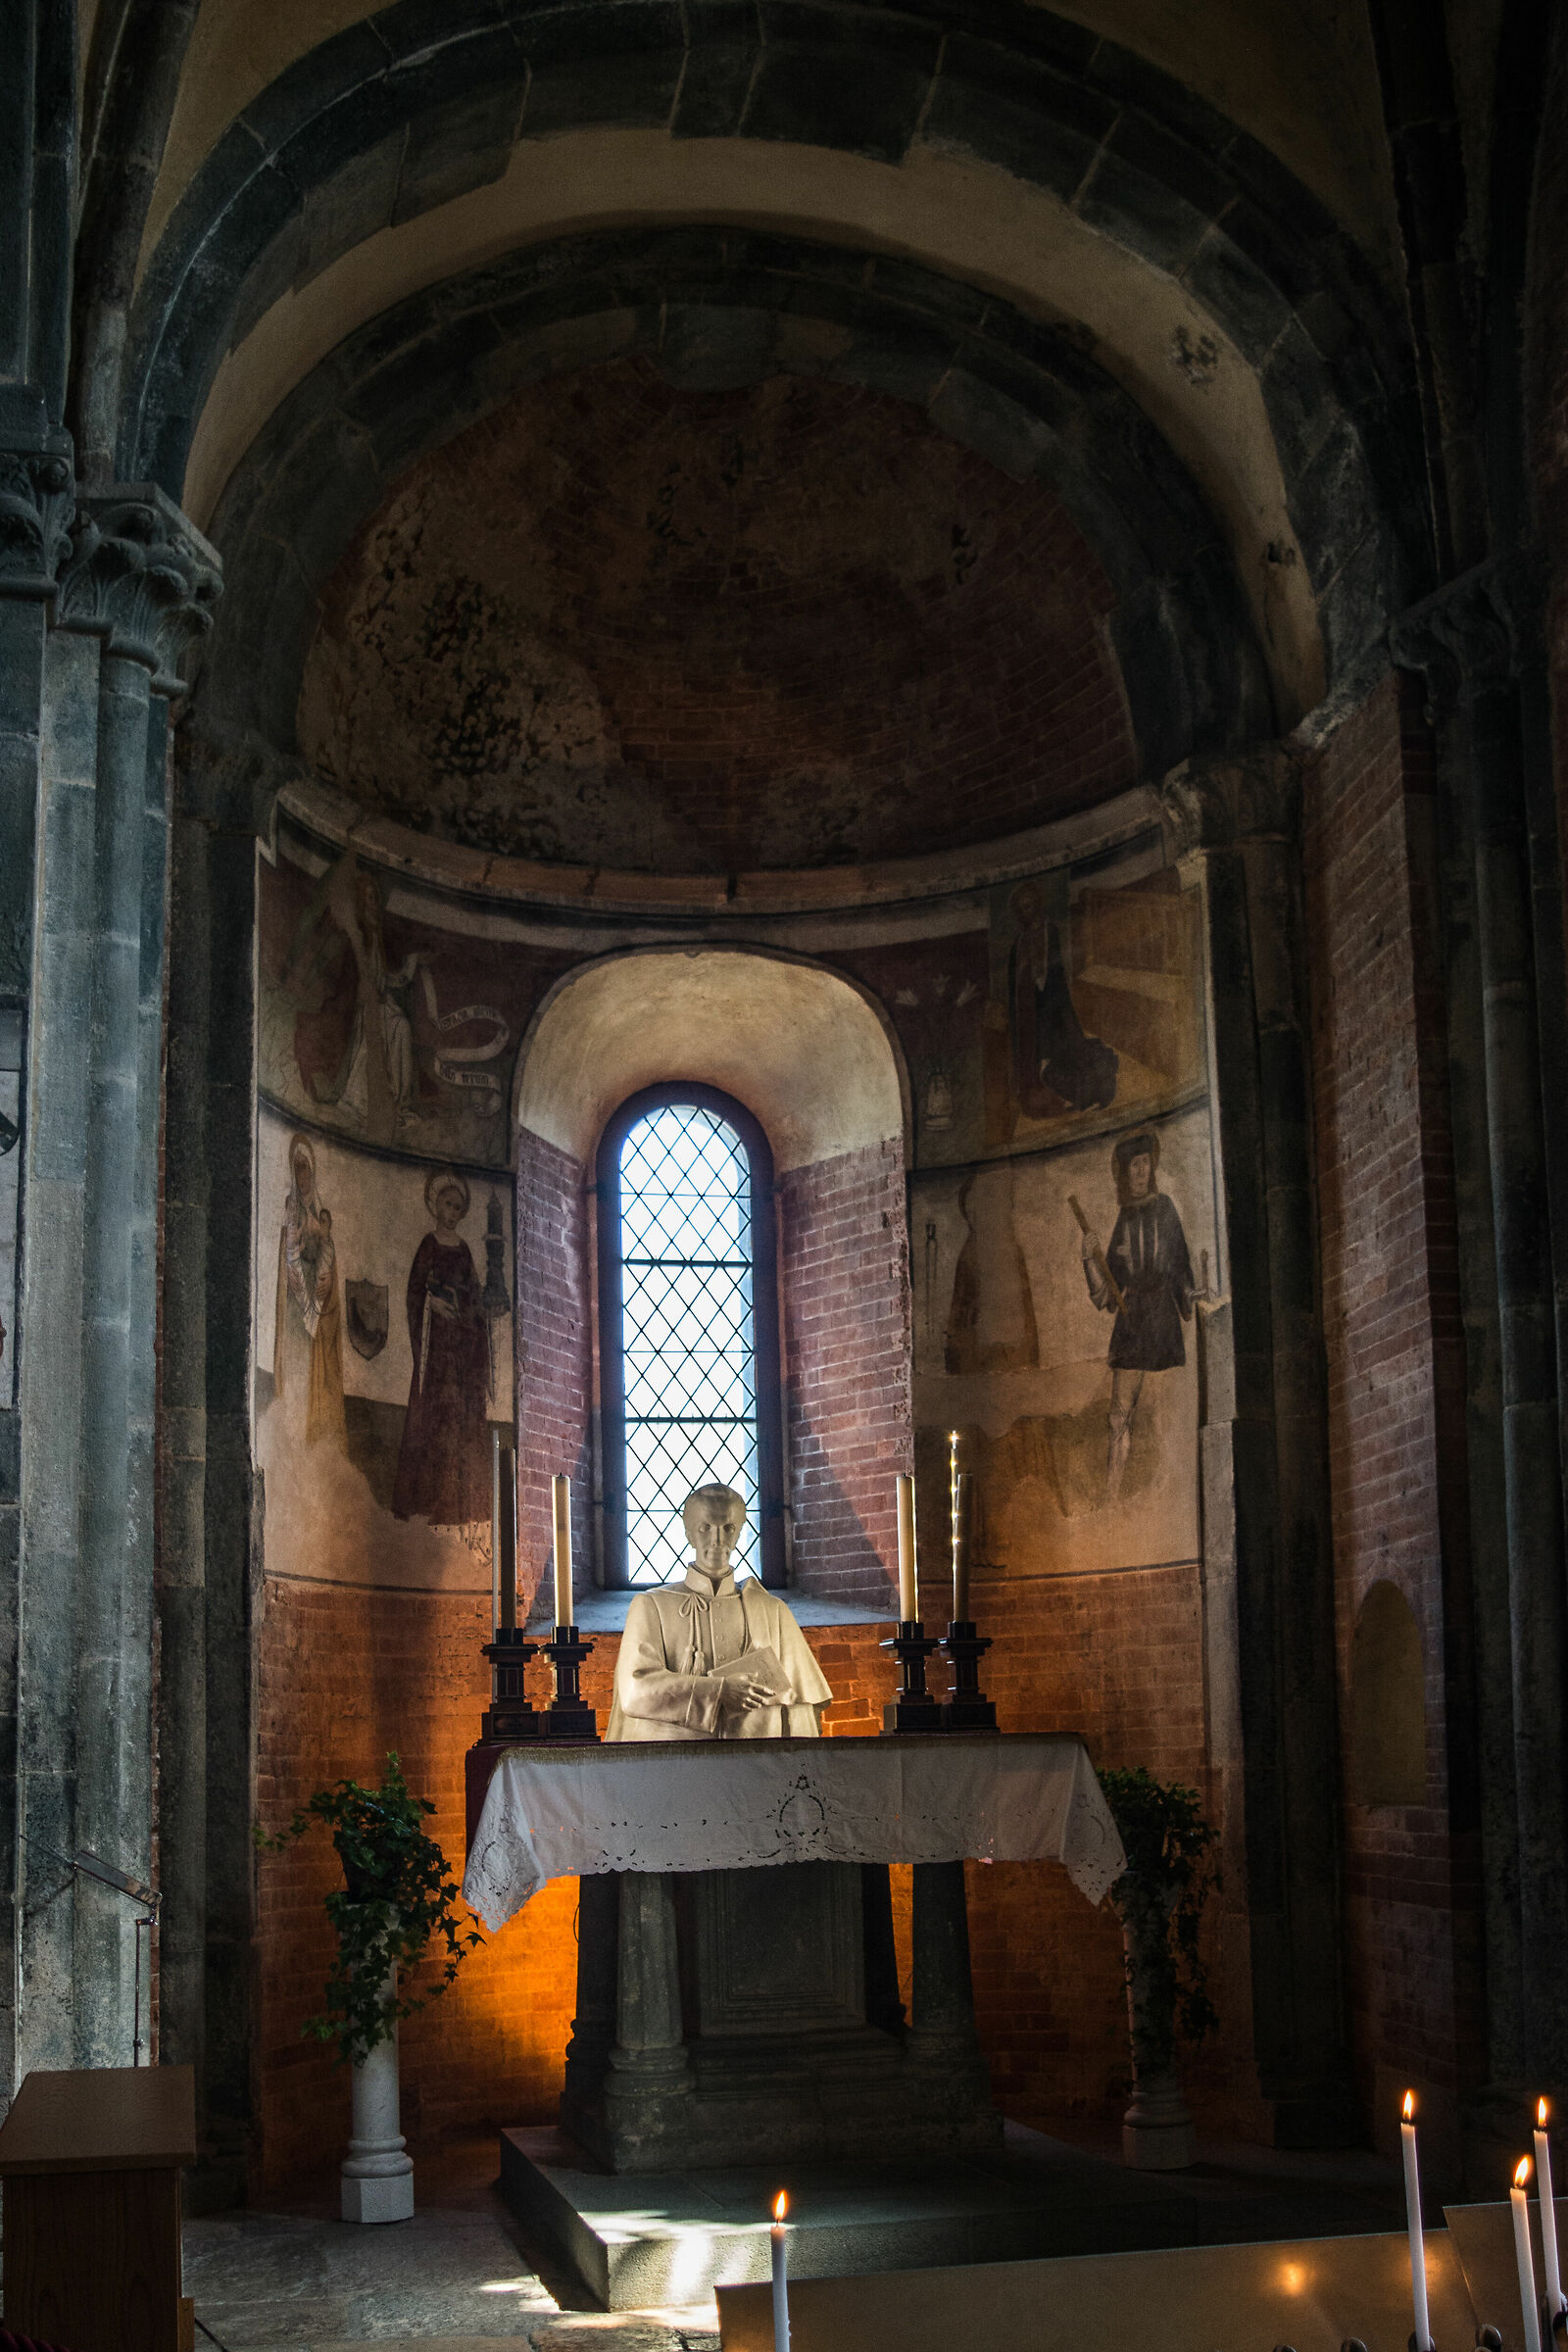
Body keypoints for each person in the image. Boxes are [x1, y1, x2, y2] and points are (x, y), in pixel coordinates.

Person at [607, 1484, 833, 1740]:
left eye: (728, 1529)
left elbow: (801, 1710)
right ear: (689, 1534)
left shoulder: (773, 1611)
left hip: (758, 1763)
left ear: (738, 1535)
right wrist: (718, 1690)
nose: (717, 1540)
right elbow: (635, 1690)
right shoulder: (652, 1606)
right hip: (676, 1767)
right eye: (706, 1528)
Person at [1078, 1128, 1199, 1500]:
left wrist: (1189, 1295)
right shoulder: (1125, 1219)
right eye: (1134, 1165)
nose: (1141, 1171)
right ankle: (1112, 1495)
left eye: (1146, 1163)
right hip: (1131, 1322)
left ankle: (1170, 1496)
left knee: (1166, 1409)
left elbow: (1179, 1264)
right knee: (1119, 1414)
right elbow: (1107, 1293)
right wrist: (1088, 1258)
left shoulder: (1166, 1209)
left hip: (1162, 1317)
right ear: (1125, 1174)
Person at [391, 1169, 491, 1524]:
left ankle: (456, 1500)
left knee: (458, 1418)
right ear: (436, 1205)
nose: (451, 1211)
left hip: (460, 1348)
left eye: (457, 1207)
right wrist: (430, 1304)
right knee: (434, 1416)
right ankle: (426, 1497)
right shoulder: (428, 1245)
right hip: (435, 1348)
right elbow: (415, 1291)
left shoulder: (463, 1249)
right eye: (447, 1204)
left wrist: (468, 1311)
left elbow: (474, 1293)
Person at [272, 1132, 346, 1450]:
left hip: (316, 1309)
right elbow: (285, 1259)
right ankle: (291, 1442)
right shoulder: (292, 1214)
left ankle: (316, 1442)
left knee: (316, 1378)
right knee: (296, 1376)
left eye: (307, 1169)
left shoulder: (321, 1219)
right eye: (298, 1168)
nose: (303, 1176)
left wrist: (328, 1286)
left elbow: (329, 1262)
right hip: (294, 1313)